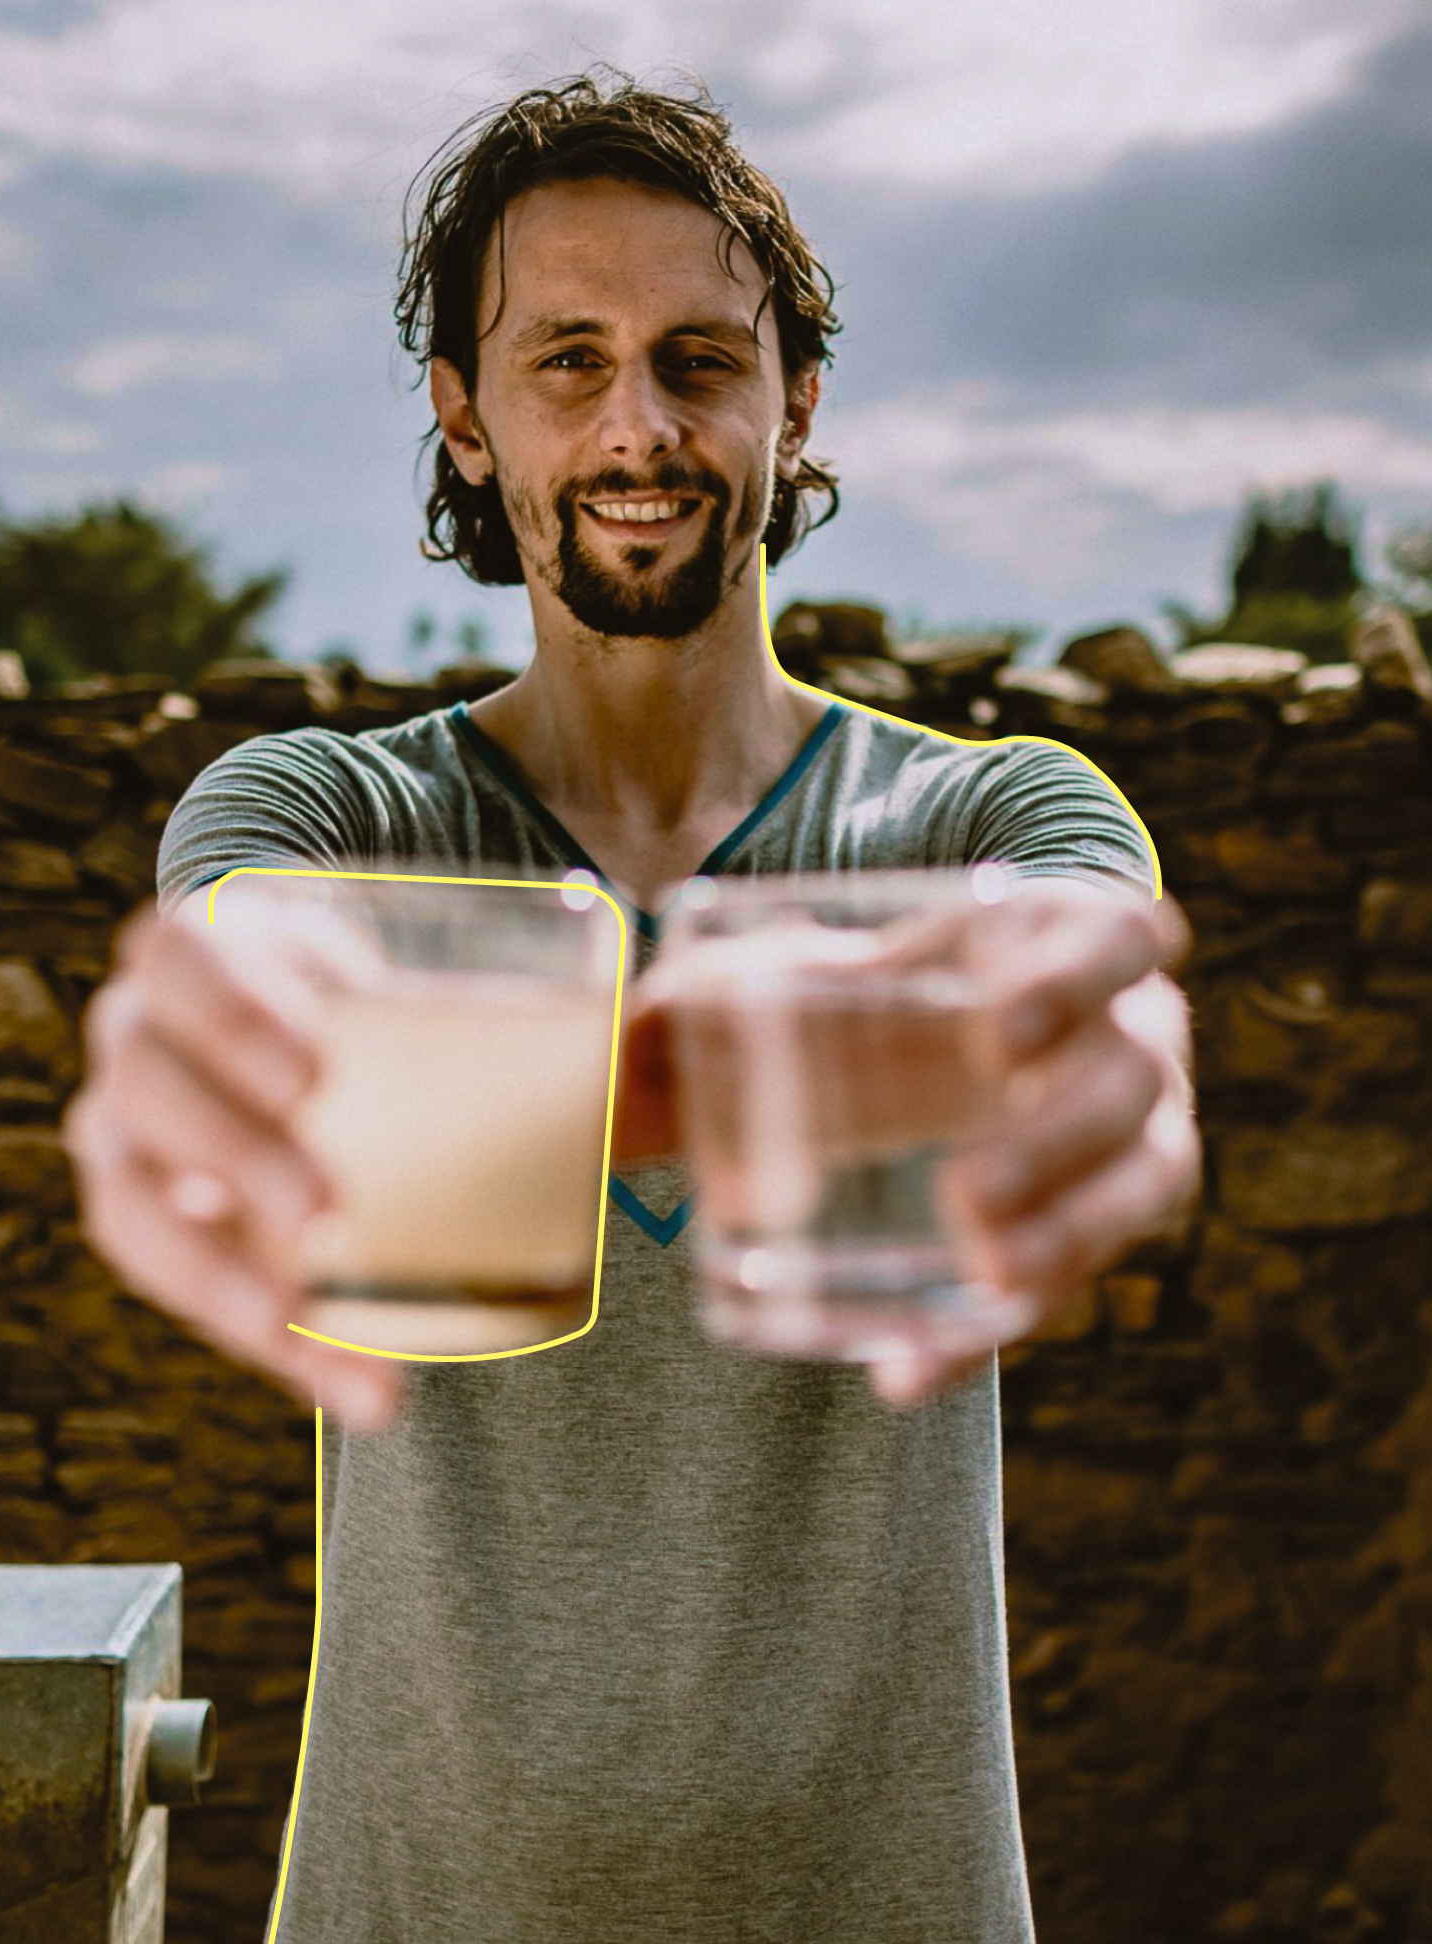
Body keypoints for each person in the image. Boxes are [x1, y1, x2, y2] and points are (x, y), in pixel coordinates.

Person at [64, 67, 1200, 1944]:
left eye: (698, 359)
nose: (638, 426)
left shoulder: (997, 811)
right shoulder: (325, 810)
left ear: (794, 403)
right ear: (462, 417)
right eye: (566, 362)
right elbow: (269, 997)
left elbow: (1073, 995)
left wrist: (1066, 1043)